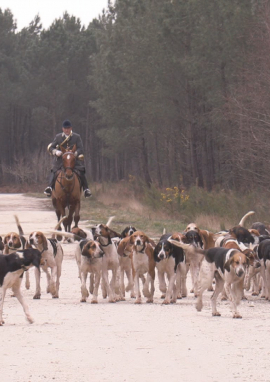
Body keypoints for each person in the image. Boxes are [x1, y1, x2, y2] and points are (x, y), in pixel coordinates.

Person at [44, 119, 91, 198]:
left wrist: (75, 154)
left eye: (68, 128)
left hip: (73, 160)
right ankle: (49, 187)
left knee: (81, 171)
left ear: (71, 128)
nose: (67, 130)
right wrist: (56, 152)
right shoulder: (58, 137)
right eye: (65, 128)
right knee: (54, 171)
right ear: (62, 129)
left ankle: (86, 189)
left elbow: (81, 149)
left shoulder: (76, 137)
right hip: (60, 161)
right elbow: (51, 147)